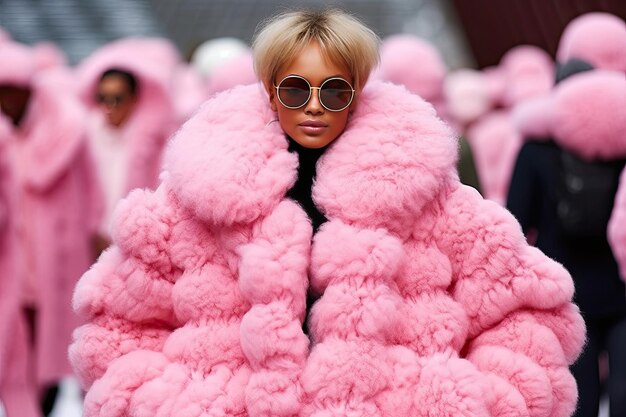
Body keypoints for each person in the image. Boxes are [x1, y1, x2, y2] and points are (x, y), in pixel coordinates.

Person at [70, 8, 585, 417]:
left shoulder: (428, 197)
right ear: (271, 89)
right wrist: (171, 404)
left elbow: (524, 311)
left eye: (334, 90)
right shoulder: (196, 202)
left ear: (356, 94)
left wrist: (467, 402)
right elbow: (117, 325)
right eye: (296, 88)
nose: (314, 106)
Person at [0, 40, 103, 417]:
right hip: (11, 260)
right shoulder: (3, 138)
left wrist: (93, 236)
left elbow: (92, 191)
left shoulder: (65, 131)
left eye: (13, 91)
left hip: (56, 256)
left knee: (59, 343)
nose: (7, 100)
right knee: (15, 344)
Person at [78, 38, 179, 249]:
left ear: (134, 99)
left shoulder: (154, 142)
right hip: (89, 241)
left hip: (137, 240)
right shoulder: (85, 138)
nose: (109, 107)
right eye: (102, 98)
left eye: (117, 98)